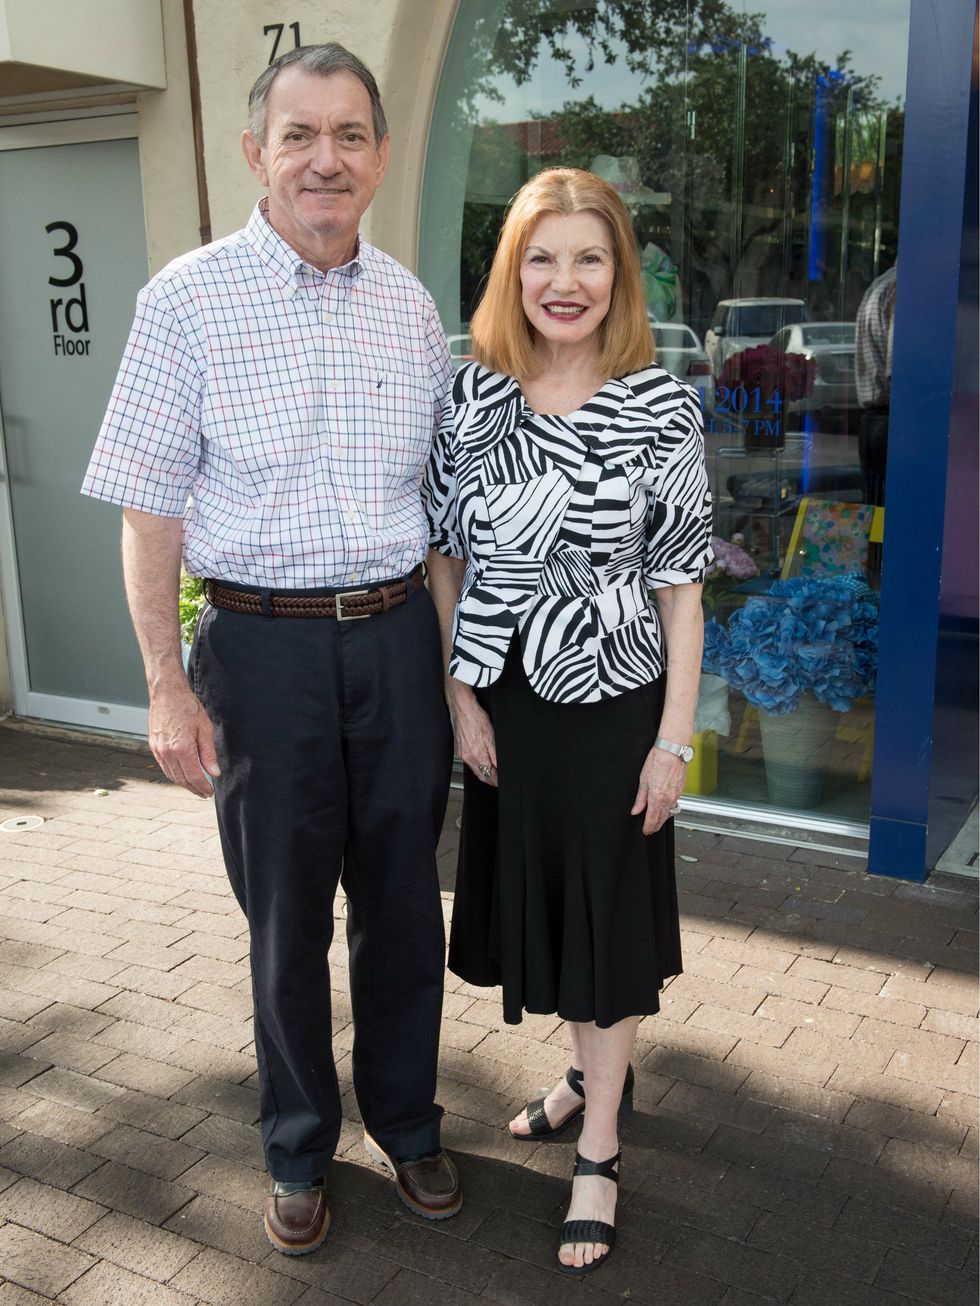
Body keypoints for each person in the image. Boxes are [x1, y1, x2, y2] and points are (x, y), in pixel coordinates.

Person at [82, 44, 461, 1255]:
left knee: (403, 907)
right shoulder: (185, 299)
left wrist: (450, 674)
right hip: (260, 648)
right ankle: (298, 1143)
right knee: (284, 917)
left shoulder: (411, 307)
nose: (324, 159)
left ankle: (406, 1120)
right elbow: (148, 509)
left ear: (381, 156)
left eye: (349, 135)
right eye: (299, 135)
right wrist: (165, 687)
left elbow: (438, 510)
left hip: (397, 638)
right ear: (256, 153)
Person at [423, 168, 711, 1276]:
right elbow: (445, 554)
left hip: (614, 703)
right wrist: (459, 695)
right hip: (509, 707)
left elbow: (681, 588)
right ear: (511, 272)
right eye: (541, 257)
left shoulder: (661, 404)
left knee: (605, 914)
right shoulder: (472, 397)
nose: (564, 281)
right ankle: (591, 1072)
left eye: (588, 257)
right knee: (551, 906)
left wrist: (672, 739)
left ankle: (598, 1150)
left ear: (618, 275)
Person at [855, 261, 897, 506]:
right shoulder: (903, 287)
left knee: (876, 513)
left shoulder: (883, 283)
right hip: (889, 421)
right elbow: (899, 373)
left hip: (876, 421)